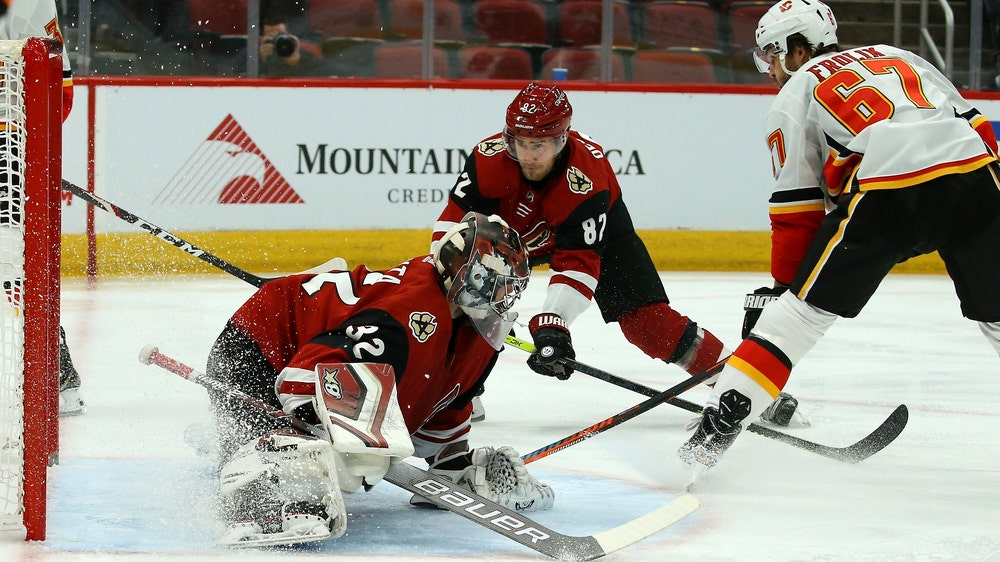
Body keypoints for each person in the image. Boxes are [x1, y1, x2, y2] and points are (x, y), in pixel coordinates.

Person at [678, 0, 1000, 470]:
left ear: (799, 49)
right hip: (976, 179)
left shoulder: (795, 94)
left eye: (773, 56)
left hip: (890, 191)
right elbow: (977, 126)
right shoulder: (898, 54)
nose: (770, 70)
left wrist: (783, 293)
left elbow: (797, 210)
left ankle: (706, 444)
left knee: (796, 321)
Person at [431, 82, 802, 426]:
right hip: (513, 242)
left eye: (538, 145)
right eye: (519, 143)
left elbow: (577, 261)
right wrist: (463, 290)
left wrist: (553, 320)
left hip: (604, 237)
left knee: (650, 326)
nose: (527, 156)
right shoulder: (487, 159)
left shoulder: (586, 178)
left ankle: (748, 387)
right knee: (459, 295)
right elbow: (452, 231)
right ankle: (459, 394)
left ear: (562, 139)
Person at [205, 211, 554, 547]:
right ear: (465, 275)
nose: (504, 297)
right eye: (495, 283)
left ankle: (281, 456)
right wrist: (325, 435)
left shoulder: (469, 323)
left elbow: (445, 392)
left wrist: (449, 460)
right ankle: (259, 487)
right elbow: (309, 371)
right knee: (320, 457)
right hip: (259, 345)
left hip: (306, 348)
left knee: (353, 450)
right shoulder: (406, 311)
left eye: (510, 287)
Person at [0, 0, 83, 415]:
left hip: (7, 138)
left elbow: (58, 90)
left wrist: (21, 145)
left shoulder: (27, 2)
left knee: (10, 259)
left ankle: (55, 372)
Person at [258, 12, 334, 78]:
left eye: (280, 35)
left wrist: (297, 61)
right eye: (272, 37)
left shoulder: (302, 52)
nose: (276, 41)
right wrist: (260, 60)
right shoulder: (254, 55)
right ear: (262, 38)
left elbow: (329, 71)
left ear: (289, 36)